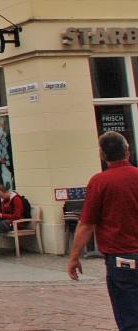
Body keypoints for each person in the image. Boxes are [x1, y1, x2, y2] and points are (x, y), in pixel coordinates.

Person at [68, 131, 138, 330]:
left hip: (121, 258)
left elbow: (87, 224)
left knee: (129, 317)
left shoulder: (100, 182)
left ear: (102, 155)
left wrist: (74, 257)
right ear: (127, 151)